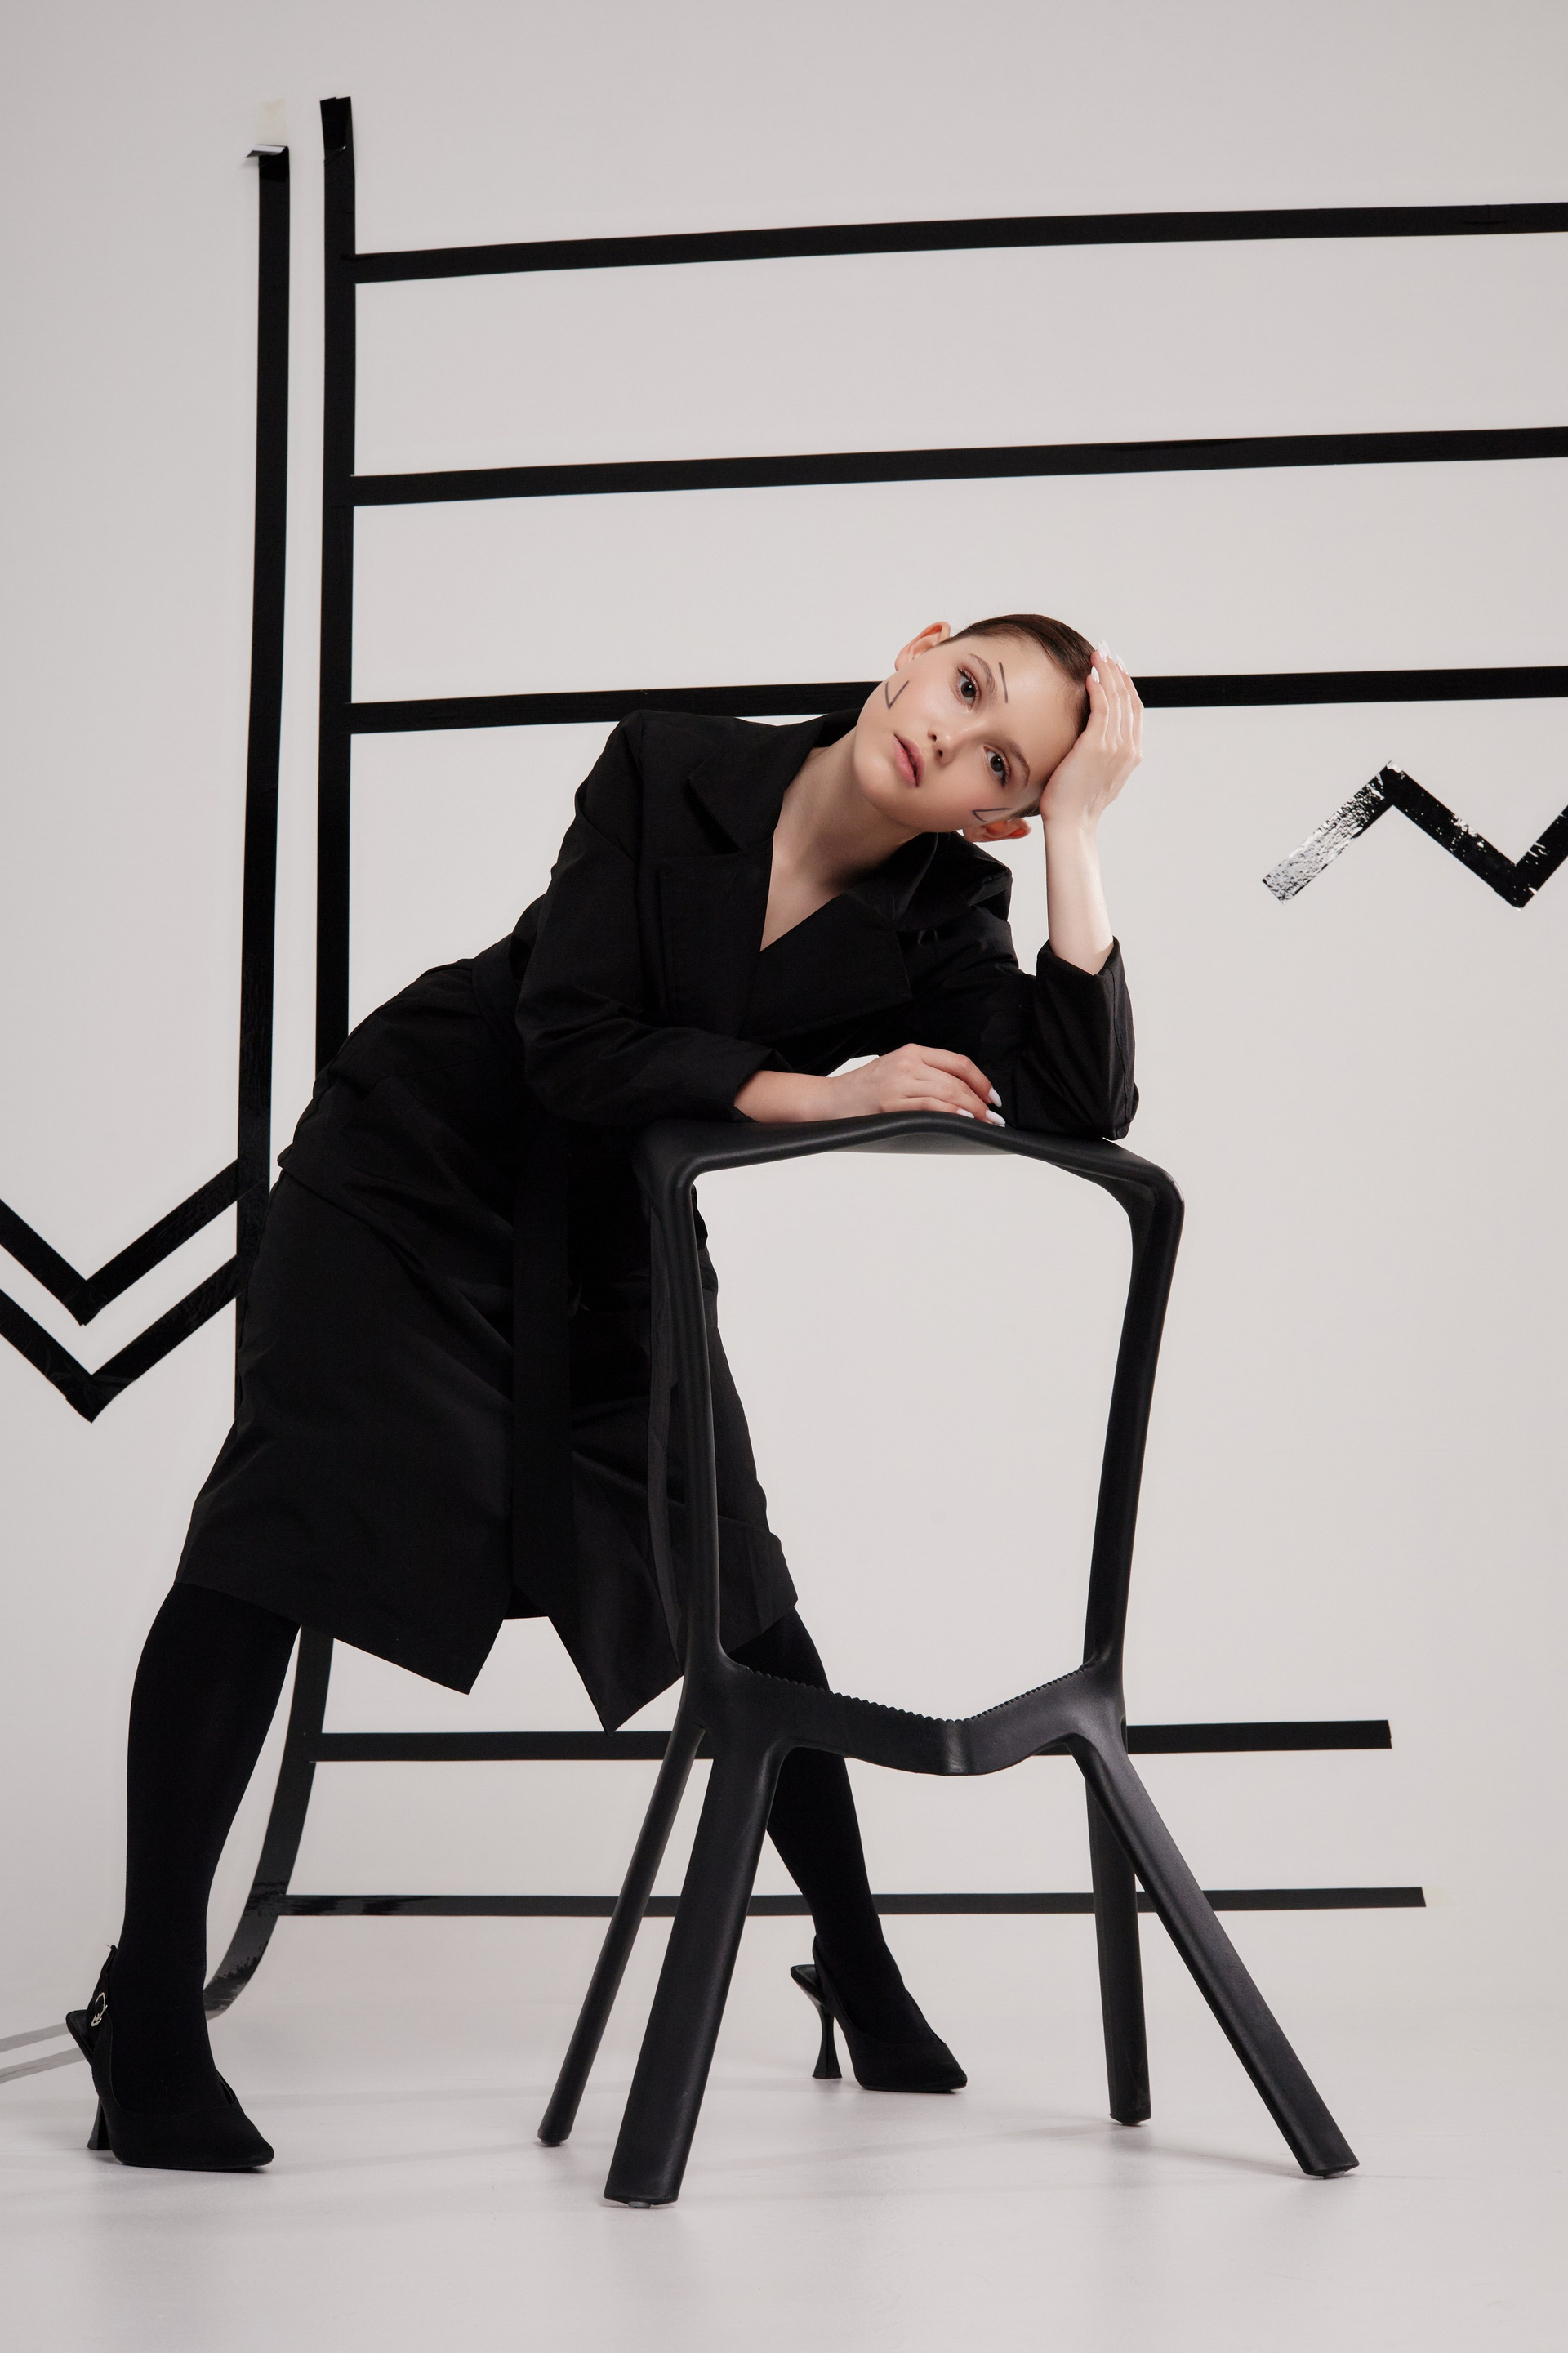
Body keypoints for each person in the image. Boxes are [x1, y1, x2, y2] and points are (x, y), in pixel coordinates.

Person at [67, 615, 1144, 2169]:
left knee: (738, 1581)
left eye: (1005, 765)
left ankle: (857, 1962)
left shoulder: (948, 914)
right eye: (966, 687)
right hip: (416, 1167)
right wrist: (814, 1094)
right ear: (917, 652)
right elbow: (567, 1041)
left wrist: (1082, 836)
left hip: (609, 1240)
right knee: (268, 1540)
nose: (953, 737)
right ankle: (152, 2009)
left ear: (998, 816)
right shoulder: (666, 763)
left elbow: (1076, 1105)